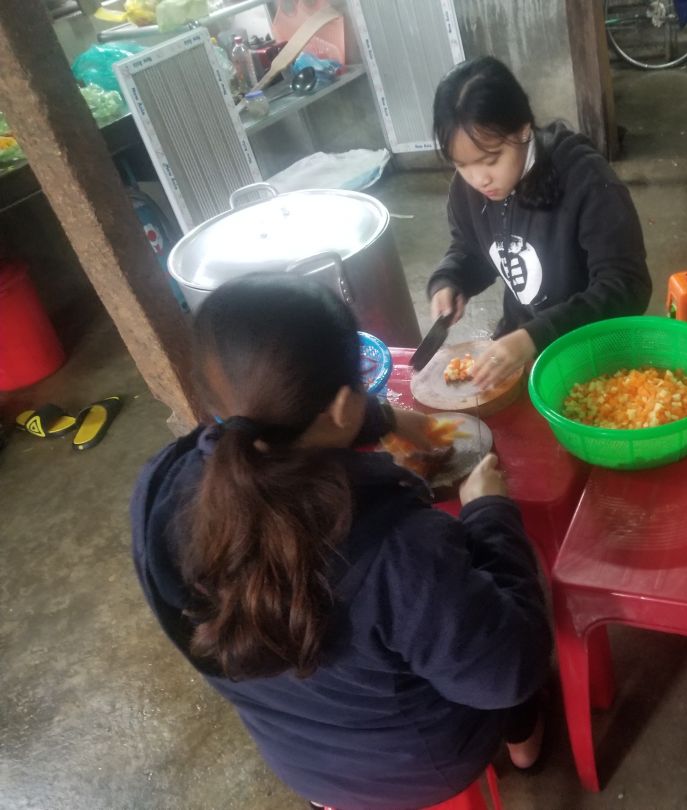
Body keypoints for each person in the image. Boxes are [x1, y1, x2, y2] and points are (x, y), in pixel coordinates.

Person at [130, 274, 551, 810]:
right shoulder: (399, 546)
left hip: (301, 762)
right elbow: (509, 670)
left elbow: (275, 424)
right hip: (420, 764)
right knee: (508, 634)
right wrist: (489, 513)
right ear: (342, 407)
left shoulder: (160, 487)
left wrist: (382, 418)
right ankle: (526, 749)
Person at [428, 56, 652, 390]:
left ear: (523, 129)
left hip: (592, 355)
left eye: (491, 160)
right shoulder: (469, 189)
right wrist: (452, 279)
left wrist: (535, 336)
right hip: (521, 347)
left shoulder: (587, 181)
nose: (478, 179)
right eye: (462, 165)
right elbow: (472, 246)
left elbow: (626, 286)